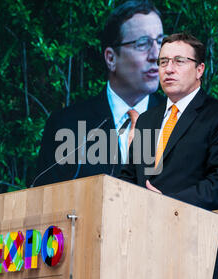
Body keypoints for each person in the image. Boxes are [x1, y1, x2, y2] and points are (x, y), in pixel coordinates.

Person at [119, 32, 218, 279]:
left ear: (199, 69)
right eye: (163, 61)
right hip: (149, 258)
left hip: (203, 255)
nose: (168, 69)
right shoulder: (146, 120)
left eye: (179, 61)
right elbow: (131, 176)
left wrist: (166, 203)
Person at [33, 1, 165, 187]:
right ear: (111, 58)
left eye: (160, 42)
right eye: (143, 44)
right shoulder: (67, 126)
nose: (156, 55)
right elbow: (44, 205)